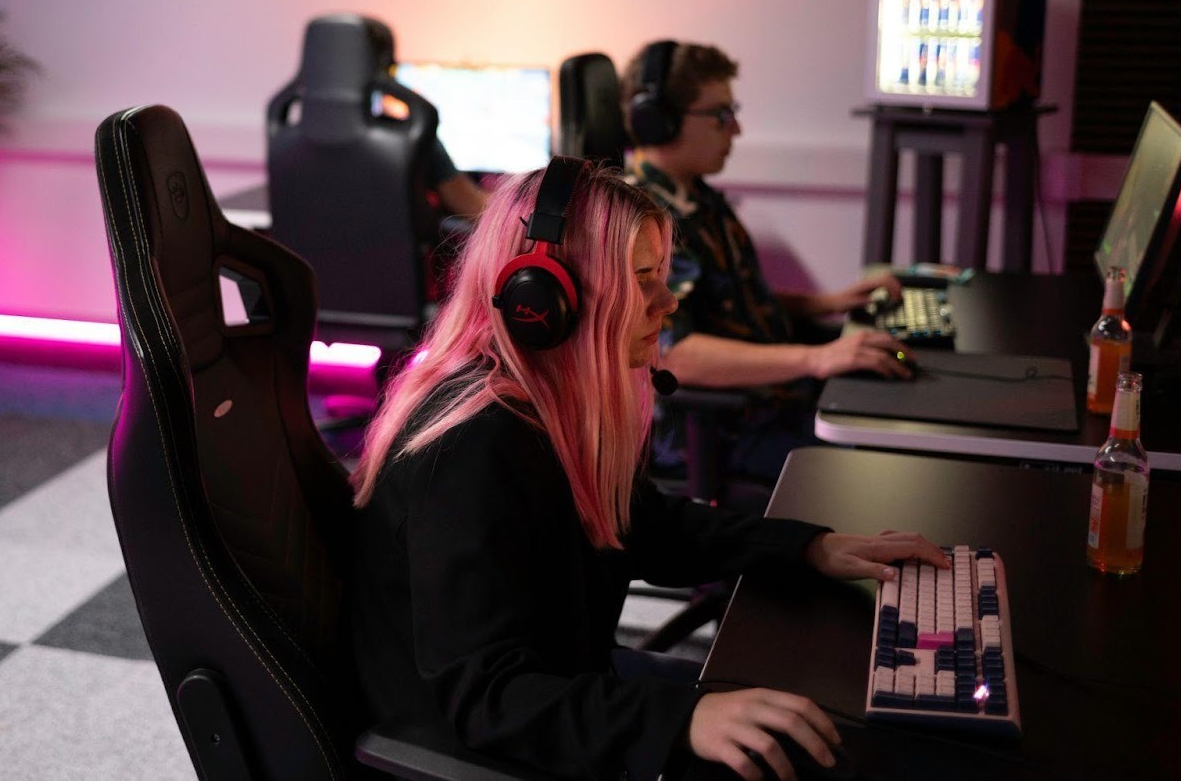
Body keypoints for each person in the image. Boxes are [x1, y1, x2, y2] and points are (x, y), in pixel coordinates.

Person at [349, 157, 947, 781]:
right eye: (642, 281)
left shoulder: (548, 405)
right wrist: (681, 720)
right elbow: (487, 697)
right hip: (483, 747)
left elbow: (638, 523)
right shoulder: (470, 448)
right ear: (545, 298)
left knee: (825, 724)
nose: (668, 303)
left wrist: (809, 547)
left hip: (565, 692)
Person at [621, 40, 912, 482]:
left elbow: (728, 302)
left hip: (773, 402)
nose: (735, 129)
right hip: (724, 431)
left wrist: (825, 303)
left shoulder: (697, 199)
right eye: (721, 114)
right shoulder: (646, 221)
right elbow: (674, 353)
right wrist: (817, 358)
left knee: (901, 417)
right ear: (661, 121)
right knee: (887, 471)